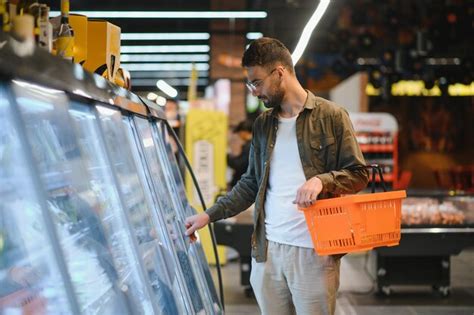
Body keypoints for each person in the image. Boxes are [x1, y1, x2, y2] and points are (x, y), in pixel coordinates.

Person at [185, 37, 369, 315]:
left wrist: (322, 180)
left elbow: (359, 173)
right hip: (267, 252)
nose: (253, 92)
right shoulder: (263, 125)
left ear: (280, 73)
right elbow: (250, 183)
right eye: (250, 84)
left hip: (313, 253)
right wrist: (208, 215)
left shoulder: (332, 116)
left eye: (256, 82)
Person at [228, 119, 253, 188]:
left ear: (244, 132)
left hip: (244, 186)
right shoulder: (253, 144)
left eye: (239, 133)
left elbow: (240, 165)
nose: (239, 135)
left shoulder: (250, 146)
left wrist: (227, 157)